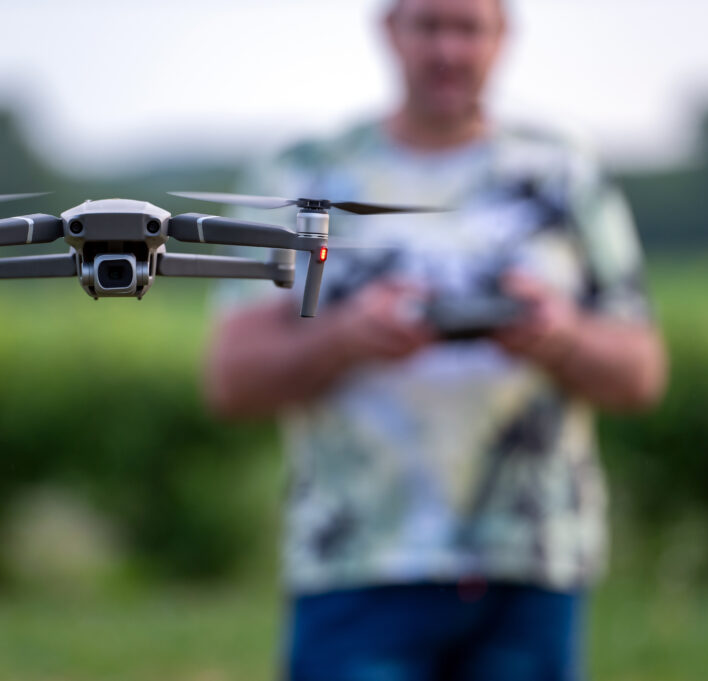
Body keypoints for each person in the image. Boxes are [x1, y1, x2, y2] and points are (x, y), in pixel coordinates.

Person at [205, 0, 668, 678]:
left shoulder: (566, 174)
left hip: (530, 561)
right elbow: (230, 379)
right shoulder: (303, 177)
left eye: (467, 27)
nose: (447, 50)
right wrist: (343, 338)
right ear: (389, 30)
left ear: (502, 34)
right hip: (356, 561)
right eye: (429, 25)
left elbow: (642, 373)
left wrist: (560, 336)